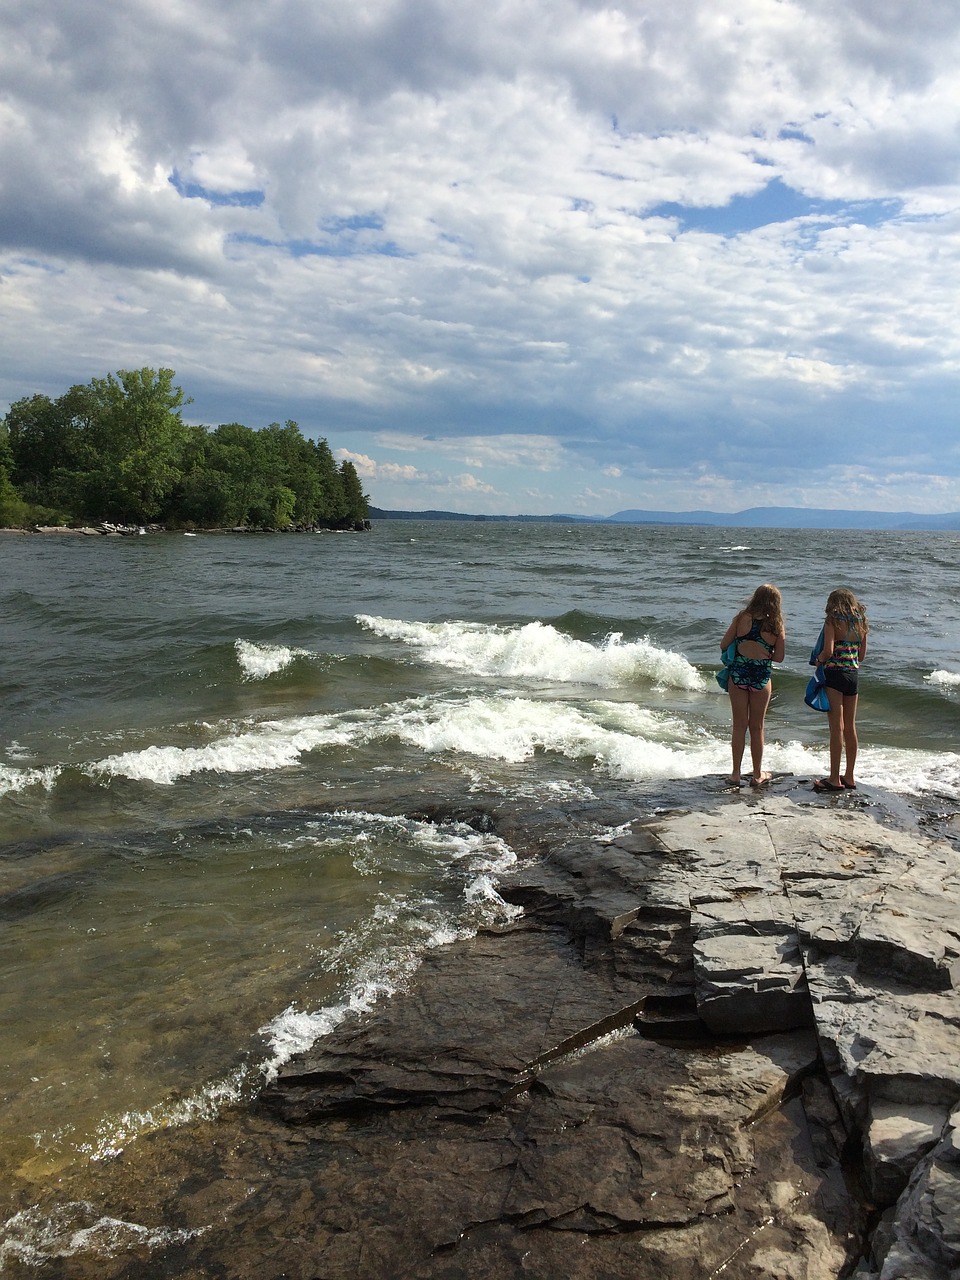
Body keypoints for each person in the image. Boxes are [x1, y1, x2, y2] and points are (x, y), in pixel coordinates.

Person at [720, 584, 786, 787]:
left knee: (739, 726)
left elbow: (724, 644)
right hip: (761, 677)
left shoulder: (741, 618)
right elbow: (780, 657)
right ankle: (758, 775)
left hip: (738, 675)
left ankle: (735, 774)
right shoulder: (776, 624)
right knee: (757, 727)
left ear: (755, 598)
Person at [814, 588, 868, 792]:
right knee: (850, 727)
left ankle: (834, 778)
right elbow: (861, 656)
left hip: (835, 674)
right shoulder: (860, 622)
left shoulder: (832, 621)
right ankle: (850, 776)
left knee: (836, 727)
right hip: (853, 676)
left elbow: (827, 651)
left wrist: (818, 660)